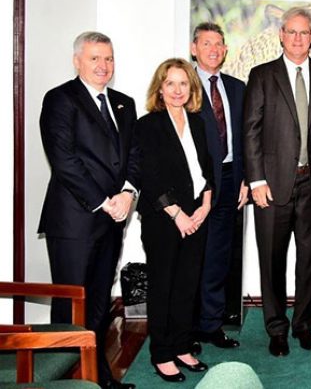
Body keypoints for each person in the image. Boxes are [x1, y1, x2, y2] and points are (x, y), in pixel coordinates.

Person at [243, 7, 311, 356]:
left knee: (310, 260)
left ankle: (303, 325)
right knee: (271, 260)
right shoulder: (261, 75)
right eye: (292, 32)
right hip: (271, 187)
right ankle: (276, 329)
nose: (298, 38)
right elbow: (251, 132)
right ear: (281, 35)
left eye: (304, 33)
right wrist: (255, 180)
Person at [39, 31, 139, 389]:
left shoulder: (125, 103)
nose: (103, 65)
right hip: (74, 221)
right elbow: (64, 160)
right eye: (95, 58)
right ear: (77, 60)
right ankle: (60, 381)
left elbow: (133, 158)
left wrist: (128, 194)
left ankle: (97, 377)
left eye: (109, 58)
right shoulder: (60, 99)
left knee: (98, 305)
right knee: (71, 307)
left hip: (113, 221)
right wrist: (104, 201)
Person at [136, 58, 214, 382]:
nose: (178, 90)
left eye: (184, 83)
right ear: (160, 88)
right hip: (164, 219)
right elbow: (149, 177)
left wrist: (207, 203)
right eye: (171, 83)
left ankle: (183, 347)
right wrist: (177, 214)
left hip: (197, 214)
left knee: (187, 286)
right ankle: (162, 354)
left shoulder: (196, 122)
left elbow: (206, 167)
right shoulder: (148, 125)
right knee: (163, 287)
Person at [191, 23, 247, 349]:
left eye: (219, 44)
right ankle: (188, 329)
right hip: (195, 183)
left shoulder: (237, 88)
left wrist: (244, 178)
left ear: (225, 51)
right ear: (194, 48)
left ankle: (211, 326)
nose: (213, 49)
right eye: (206, 43)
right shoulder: (183, 86)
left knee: (218, 257)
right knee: (191, 257)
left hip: (229, 181)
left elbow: (245, 139)